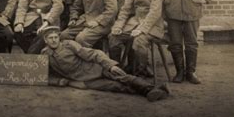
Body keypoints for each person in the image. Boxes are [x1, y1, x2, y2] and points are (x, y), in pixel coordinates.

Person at [40, 26, 170, 102]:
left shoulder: (69, 45)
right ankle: (150, 92)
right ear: (45, 40)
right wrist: (60, 81)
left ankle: (151, 88)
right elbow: (44, 75)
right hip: (86, 80)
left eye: (56, 37)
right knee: (115, 86)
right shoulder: (45, 54)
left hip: (97, 68)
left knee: (122, 77)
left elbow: (93, 53)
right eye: (50, 38)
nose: (54, 40)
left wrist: (110, 65)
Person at [108, 0, 165, 77]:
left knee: (139, 41)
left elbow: (155, 12)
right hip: (134, 21)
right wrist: (118, 26)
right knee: (113, 37)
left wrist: (142, 28)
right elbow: (125, 10)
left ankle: (141, 72)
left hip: (153, 24)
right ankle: (117, 70)